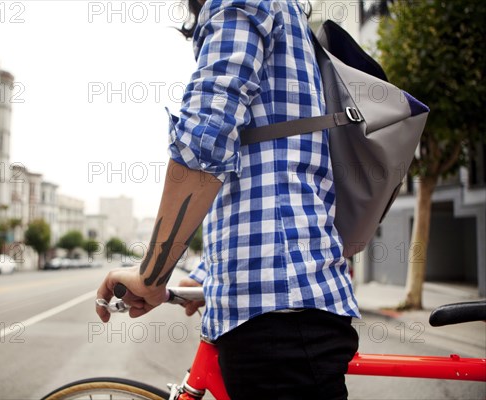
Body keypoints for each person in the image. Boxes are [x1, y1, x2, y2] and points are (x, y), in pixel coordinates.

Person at [96, 1, 360, 399]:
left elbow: (206, 138)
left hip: (277, 314)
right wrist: (206, 276)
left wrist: (151, 276)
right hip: (282, 306)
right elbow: (269, 171)